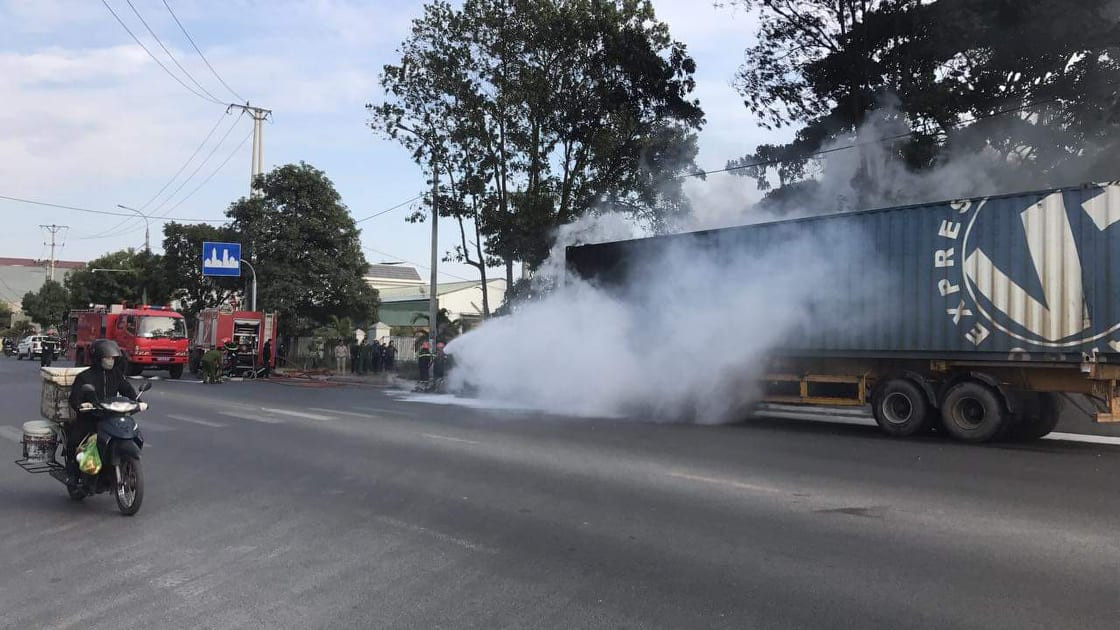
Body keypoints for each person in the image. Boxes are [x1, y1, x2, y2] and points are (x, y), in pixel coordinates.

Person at [67, 340, 138, 482]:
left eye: (113, 358)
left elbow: (127, 390)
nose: (110, 361)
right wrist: (82, 405)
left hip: (111, 416)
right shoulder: (85, 377)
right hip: (91, 418)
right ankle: (73, 475)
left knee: (133, 433)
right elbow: (74, 398)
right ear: (98, 358)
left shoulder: (116, 375)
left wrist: (139, 402)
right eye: (107, 358)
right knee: (76, 441)